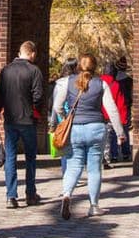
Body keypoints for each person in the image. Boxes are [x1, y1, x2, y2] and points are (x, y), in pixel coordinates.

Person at [53, 53, 123, 219]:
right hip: (96, 128)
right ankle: (93, 205)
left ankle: (67, 195)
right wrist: (120, 132)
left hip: (75, 128)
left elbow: (57, 106)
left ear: (78, 66)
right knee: (94, 169)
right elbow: (112, 109)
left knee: (74, 166)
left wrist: (65, 117)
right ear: (95, 67)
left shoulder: (67, 83)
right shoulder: (101, 84)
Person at [0, 40, 45, 209]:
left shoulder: (6, 70)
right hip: (28, 120)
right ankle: (30, 194)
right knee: (30, 157)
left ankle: (11, 195)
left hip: (10, 120)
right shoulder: (34, 70)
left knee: (10, 158)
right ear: (32, 53)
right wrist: (35, 111)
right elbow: (38, 96)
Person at [100, 63, 130, 169]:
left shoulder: (97, 83)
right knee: (109, 139)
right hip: (110, 115)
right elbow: (120, 103)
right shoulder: (116, 85)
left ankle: (101, 159)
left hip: (98, 115)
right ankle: (108, 159)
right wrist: (123, 119)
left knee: (100, 140)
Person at [114, 57, 133, 161]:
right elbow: (131, 95)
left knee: (113, 130)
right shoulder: (129, 81)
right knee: (125, 128)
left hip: (115, 105)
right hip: (126, 106)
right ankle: (126, 152)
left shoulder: (114, 80)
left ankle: (114, 154)